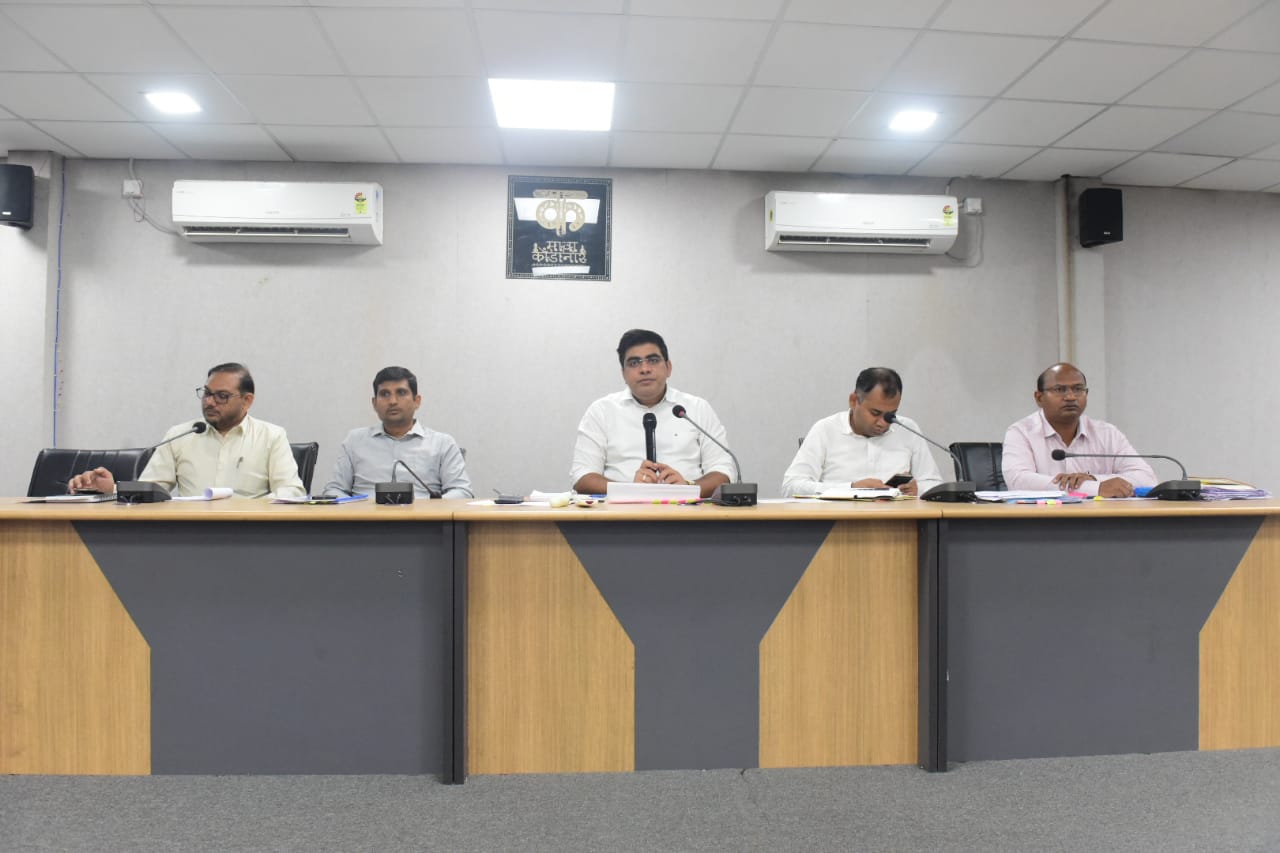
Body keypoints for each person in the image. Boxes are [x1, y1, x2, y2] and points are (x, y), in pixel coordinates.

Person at [69, 362, 305, 498]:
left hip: (251, 535)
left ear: (247, 401)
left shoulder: (271, 436)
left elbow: (292, 491)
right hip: (189, 536)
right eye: (207, 393)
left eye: (221, 396)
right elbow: (150, 490)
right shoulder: (181, 435)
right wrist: (112, 489)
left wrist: (247, 509)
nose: (209, 402)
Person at [570, 329, 734, 499]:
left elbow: (723, 472)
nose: (645, 369)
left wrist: (687, 487)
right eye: (634, 363)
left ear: (668, 368)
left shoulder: (696, 409)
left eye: (653, 360)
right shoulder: (602, 411)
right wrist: (629, 490)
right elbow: (582, 477)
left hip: (689, 510)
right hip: (621, 512)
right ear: (623, 374)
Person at [782, 367, 944, 498]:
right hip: (838, 524)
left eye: (890, 415)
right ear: (854, 401)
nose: (883, 423)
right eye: (875, 413)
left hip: (899, 524)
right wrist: (851, 488)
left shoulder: (908, 430)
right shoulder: (825, 430)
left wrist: (918, 489)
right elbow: (791, 487)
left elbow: (935, 484)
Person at [1001, 362, 1156, 497]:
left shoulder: (1107, 433)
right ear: (1039, 397)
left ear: (1086, 394)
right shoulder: (1021, 432)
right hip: (1043, 519)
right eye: (1060, 389)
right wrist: (1096, 488)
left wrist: (1095, 479)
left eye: (1078, 389)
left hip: (1100, 518)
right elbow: (1019, 481)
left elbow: (1147, 478)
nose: (1071, 397)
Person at [323, 366, 473, 499]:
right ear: (374, 403)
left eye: (401, 393)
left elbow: (462, 491)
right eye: (384, 394)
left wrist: (430, 507)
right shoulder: (355, 441)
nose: (393, 401)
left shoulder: (441, 443)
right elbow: (334, 490)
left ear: (417, 401)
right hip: (365, 519)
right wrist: (357, 509)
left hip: (423, 519)